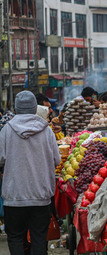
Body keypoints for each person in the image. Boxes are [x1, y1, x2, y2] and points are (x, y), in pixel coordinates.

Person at [0, 91, 60, 255]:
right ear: (35, 107)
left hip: (14, 198)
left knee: (15, 238)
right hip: (41, 197)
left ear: (16, 108)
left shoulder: (6, 131)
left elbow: (0, 160)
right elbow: (57, 160)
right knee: (39, 239)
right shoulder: (46, 131)